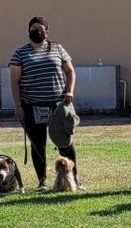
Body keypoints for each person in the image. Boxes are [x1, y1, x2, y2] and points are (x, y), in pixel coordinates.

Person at [7, 16, 80, 192]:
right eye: (33, 28)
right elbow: (14, 82)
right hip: (31, 105)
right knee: (37, 143)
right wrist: (18, 106)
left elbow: (70, 72)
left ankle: (73, 178)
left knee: (65, 142)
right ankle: (42, 181)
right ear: (28, 31)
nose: (37, 31)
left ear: (47, 31)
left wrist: (69, 90)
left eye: (40, 28)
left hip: (58, 104)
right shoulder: (20, 53)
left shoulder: (58, 48)